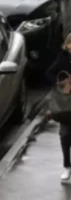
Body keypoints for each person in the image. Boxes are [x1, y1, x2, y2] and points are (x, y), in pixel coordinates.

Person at [46, 34, 71, 182]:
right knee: (65, 135)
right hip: (66, 104)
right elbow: (49, 73)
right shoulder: (62, 58)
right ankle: (66, 167)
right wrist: (61, 84)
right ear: (67, 45)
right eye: (70, 44)